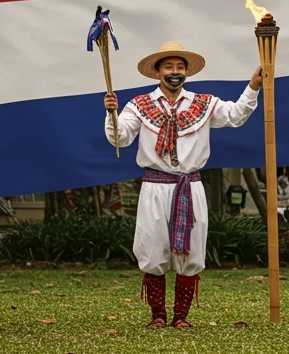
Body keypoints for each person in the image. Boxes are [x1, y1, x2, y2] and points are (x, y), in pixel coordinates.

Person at [105, 40, 261, 328]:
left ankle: (181, 317)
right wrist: (111, 113)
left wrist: (253, 85)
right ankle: (158, 316)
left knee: (192, 249)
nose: (174, 71)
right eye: (168, 67)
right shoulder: (139, 105)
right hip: (155, 185)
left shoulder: (204, 103)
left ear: (186, 71)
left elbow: (236, 115)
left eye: (179, 66)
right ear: (157, 72)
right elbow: (120, 139)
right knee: (152, 248)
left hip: (190, 186)